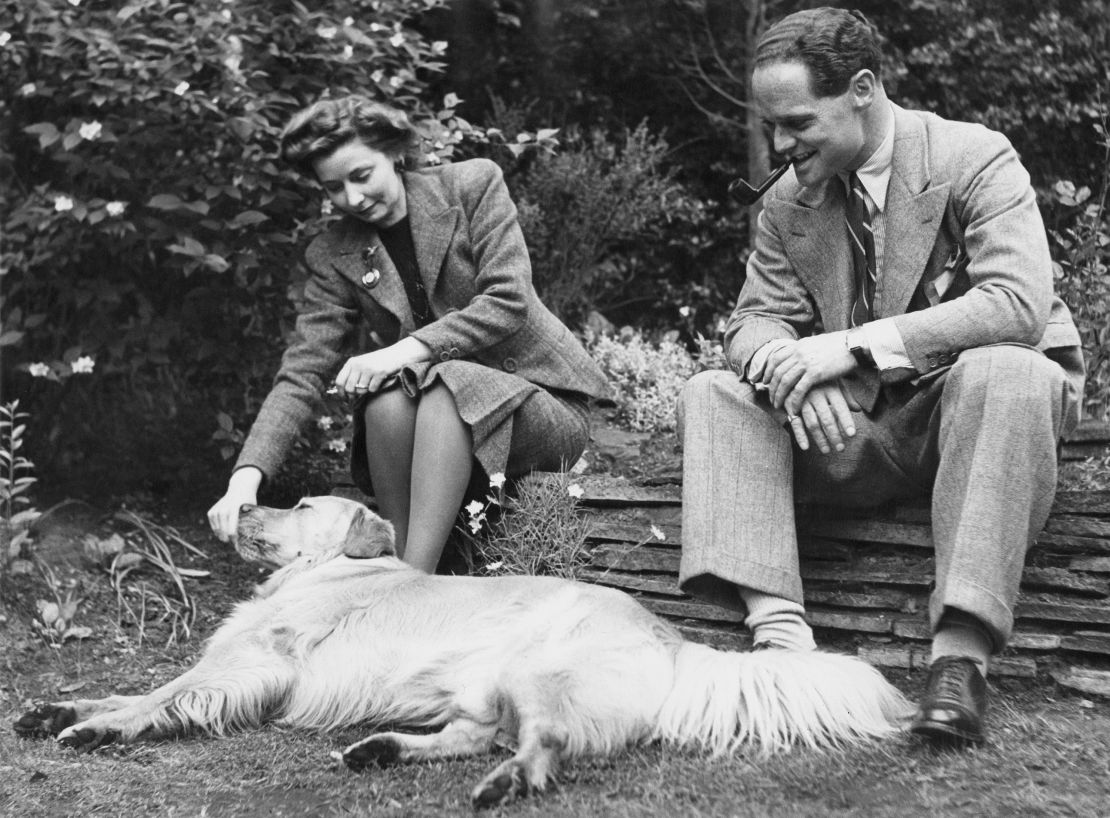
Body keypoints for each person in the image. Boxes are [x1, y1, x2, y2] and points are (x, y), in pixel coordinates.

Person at [678, 7, 1084, 746]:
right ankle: (783, 650)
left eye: (796, 121)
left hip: (970, 412)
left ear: (861, 88)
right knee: (714, 392)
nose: (778, 144)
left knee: (1007, 370)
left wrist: (853, 348)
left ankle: (958, 663)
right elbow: (752, 323)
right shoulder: (786, 202)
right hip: (856, 431)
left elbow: (1019, 303)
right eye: (769, 125)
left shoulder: (974, 157)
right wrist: (788, 370)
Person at [208, 96, 610, 573]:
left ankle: (413, 585)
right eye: (333, 188)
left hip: (542, 405)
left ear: (394, 152)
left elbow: (508, 302)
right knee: (382, 404)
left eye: (361, 175)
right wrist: (245, 481)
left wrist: (397, 353)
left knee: (441, 384)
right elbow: (302, 370)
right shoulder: (334, 252)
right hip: (441, 418)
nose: (353, 199)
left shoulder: (472, 185)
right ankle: (395, 567)